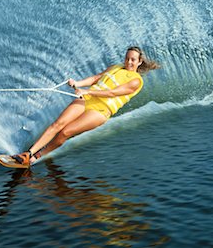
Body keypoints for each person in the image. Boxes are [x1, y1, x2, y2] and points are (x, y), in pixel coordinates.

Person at [11, 46, 160, 167]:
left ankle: (36, 157)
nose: (129, 62)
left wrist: (87, 91)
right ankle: (28, 154)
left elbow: (112, 93)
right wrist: (78, 83)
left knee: (65, 132)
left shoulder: (136, 81)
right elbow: (96, 78)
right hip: (87, 98)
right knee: (58, 124)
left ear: (139, 62)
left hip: (101, 110)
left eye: (133, 60)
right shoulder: (116, 67)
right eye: (127, 58)